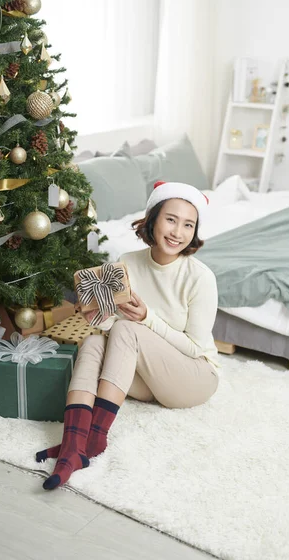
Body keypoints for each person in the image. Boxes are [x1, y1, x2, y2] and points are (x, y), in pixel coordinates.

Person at [36, 181, 220, 490]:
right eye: (171, 219)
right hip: (149, 376)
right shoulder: (128, 263)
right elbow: (116, 335)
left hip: (195, 376)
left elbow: (194, 348)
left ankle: (94, 439)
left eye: (188, 225)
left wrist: (148, 319)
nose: (178, 232)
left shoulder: (200, 278)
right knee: (95, 339)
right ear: (153, 219)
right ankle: (73, 444)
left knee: (126, 328)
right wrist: (99, 316)